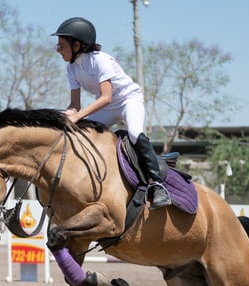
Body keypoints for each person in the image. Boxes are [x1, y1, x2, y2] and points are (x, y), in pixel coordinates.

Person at [51, 17, 170, 209]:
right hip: (107, 107)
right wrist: (64, 117)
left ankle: (157, 185)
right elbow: (74, 105)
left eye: (61, 46)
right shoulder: (72, 67)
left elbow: (106, 97)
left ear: (77, 45)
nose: (59, 51)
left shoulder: (100, 60)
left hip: (127, 100)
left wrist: (78, 116)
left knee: (134, 133)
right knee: (78, 133)